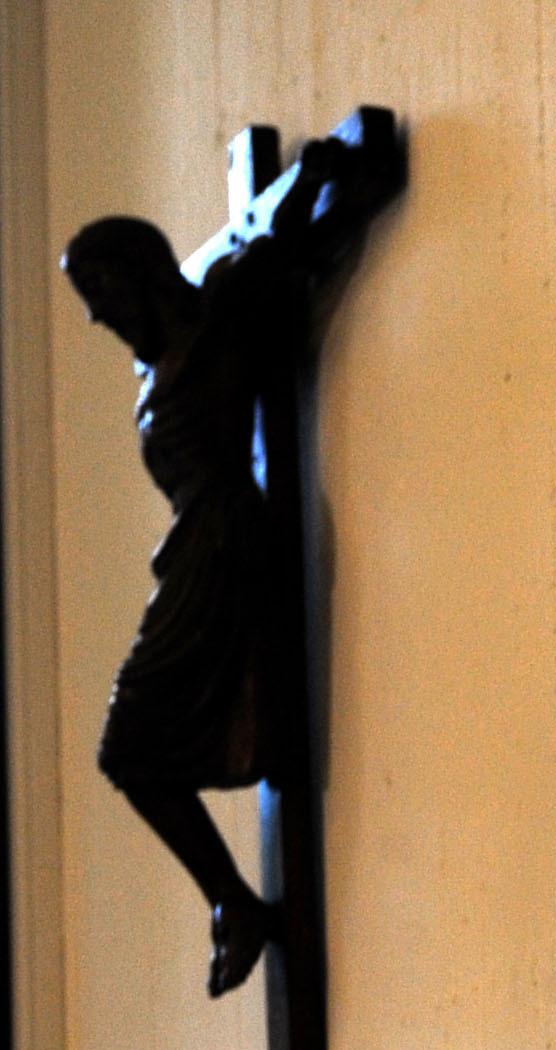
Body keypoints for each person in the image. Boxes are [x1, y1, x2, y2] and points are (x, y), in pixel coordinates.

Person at [62, 114, 402, 995]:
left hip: (227, 547)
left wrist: (328, 183)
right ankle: (232, 902)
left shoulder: (221, 313)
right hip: (194, 554)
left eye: (99, 290)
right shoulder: (163, 359)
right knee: (128, 751)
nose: (96, 314)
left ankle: (233, 904)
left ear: (138, 273)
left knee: (127, 745)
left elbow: (294, 250)